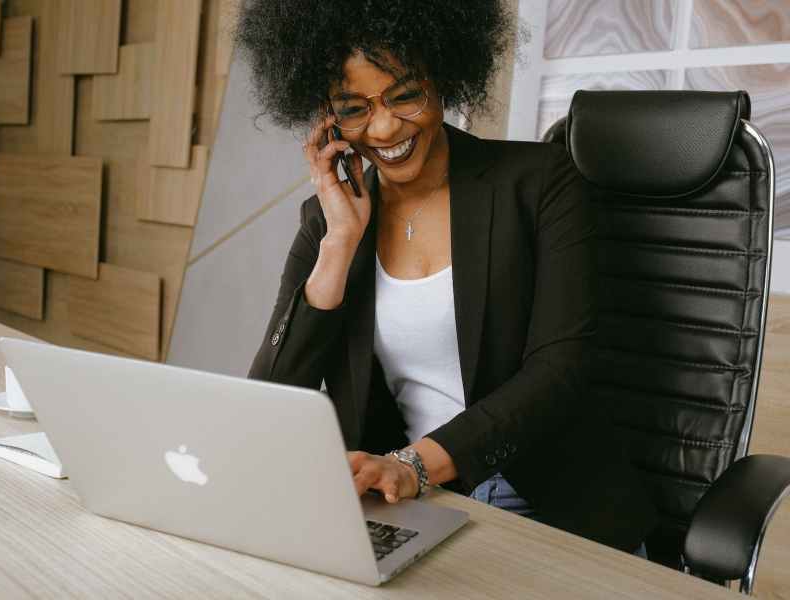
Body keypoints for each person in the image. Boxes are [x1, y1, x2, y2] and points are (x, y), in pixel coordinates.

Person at [237, 0, 658, 556]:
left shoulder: (537, 184)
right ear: (327, 115)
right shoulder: (328, 219)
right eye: (354, 108)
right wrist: (339, 244)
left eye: (405, 94)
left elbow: (562, 367)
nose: (384, 127)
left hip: (542, 497)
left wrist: (416, 464)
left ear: (444, 79)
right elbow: (273, 395)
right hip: (404, 504)